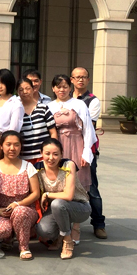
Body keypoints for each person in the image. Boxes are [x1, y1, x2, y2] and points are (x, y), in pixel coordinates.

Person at [0, 131, 40, 261]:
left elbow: (36, 193)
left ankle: (24, 247)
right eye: (8, 144)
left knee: (20, 212)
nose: (12, 148)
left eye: (16, 145)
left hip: (25, 209)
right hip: (2, 211)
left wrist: (18, 204)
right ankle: (8, 236)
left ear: (21, 146)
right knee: (1, 231)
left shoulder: (28, 166)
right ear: (1, 146)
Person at [35, 139, 91, 260]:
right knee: (44, 230)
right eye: (47, 153)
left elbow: (68, 196)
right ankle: (59, 236)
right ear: (41, 153)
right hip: (56, 209)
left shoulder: (68, 165)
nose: (51, 158)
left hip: (79, 207)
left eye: (55, 154)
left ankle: (67, 240)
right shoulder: (38, 169)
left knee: (57, 203)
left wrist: (47, 194)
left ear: (62, 154)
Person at [70, 66, 106, 239]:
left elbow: (87, 126)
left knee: (91, 187)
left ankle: (99, 224)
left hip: (86, 149)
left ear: (88, 80)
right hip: (67, 147)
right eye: (77, 77)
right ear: (71, 80)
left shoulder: (93, 101)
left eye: (83, 77)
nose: (80, 80)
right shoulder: (66, 97)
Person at [47, 75, 95, 192]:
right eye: (58, 87)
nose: (61, 90)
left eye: (65, 87)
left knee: (77, 177)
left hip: (77, 144)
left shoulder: (79, 104)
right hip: (57, 145)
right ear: (53, 88)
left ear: (70, 88)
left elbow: (88, 129)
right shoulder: (49, 106)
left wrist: (86, 152)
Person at [0, 69, 24, 161]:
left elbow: (13, 130)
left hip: (7, 146)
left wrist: (0, 148)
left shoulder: (16, 104)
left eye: (3, 83)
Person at [17, 77, 57, 163]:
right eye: (21, 90)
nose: (25, 92)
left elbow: (53, 132)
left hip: (43, 156)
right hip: (24, 157)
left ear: (33, 89)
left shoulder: (43, 108)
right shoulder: (16, 111)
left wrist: (53, 151)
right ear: (17, 92)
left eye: (28, 88)